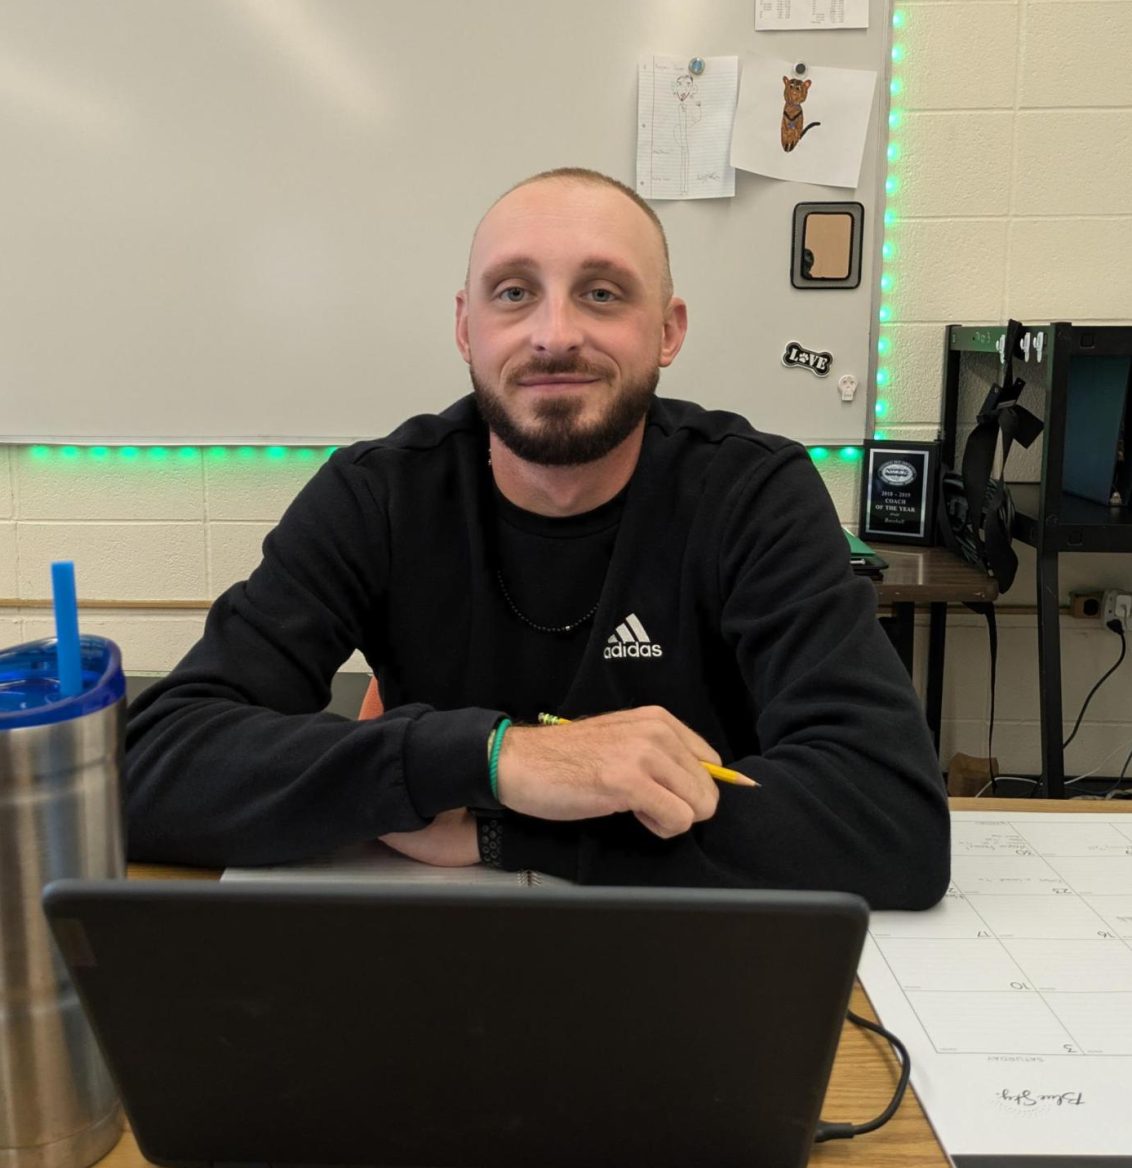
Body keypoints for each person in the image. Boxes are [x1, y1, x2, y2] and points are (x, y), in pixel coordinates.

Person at [126, 167, 949, 908]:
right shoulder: (377, 495)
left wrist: (504, 830)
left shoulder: (754, 494)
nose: (555, 334)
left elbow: (891, 821)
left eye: (601, 293)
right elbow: (153, 765)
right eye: (514, 293)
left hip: (690, 951)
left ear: (668, 330)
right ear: (465, 328)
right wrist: (494, 759)